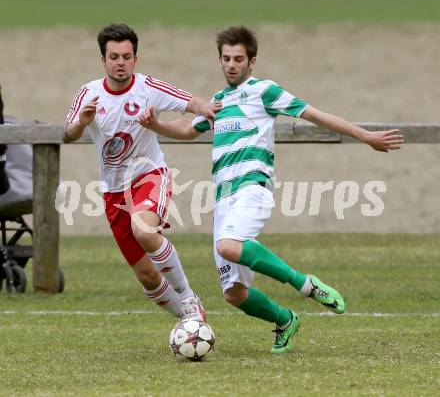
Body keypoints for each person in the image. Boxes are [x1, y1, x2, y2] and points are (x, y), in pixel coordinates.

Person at [138, 25, 404, 354]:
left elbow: (316, 115)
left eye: (238, 59)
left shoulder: (264, 92)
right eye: (226, 59)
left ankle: (306, 285)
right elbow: (186, 130)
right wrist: (156, 125)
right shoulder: (218, 102)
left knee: (229, 247)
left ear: (252, 61)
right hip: (223, 200)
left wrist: (366, 136)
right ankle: (285, 320)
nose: (231, 64)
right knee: (233, 293)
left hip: (253, 188)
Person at [64, 24, 220, 322]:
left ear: (135, 59)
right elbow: (68, 134)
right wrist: (82, 122)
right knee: (147, 277)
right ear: (103, 60)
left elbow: (191, 102)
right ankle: (191, 323)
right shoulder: (89, 93)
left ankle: (188, 296)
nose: (120, 62)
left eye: (126, 56)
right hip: (113, 191)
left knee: (144, 229)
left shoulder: (148, 87)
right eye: (114, 57)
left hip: (149, 175)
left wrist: (211, 108)